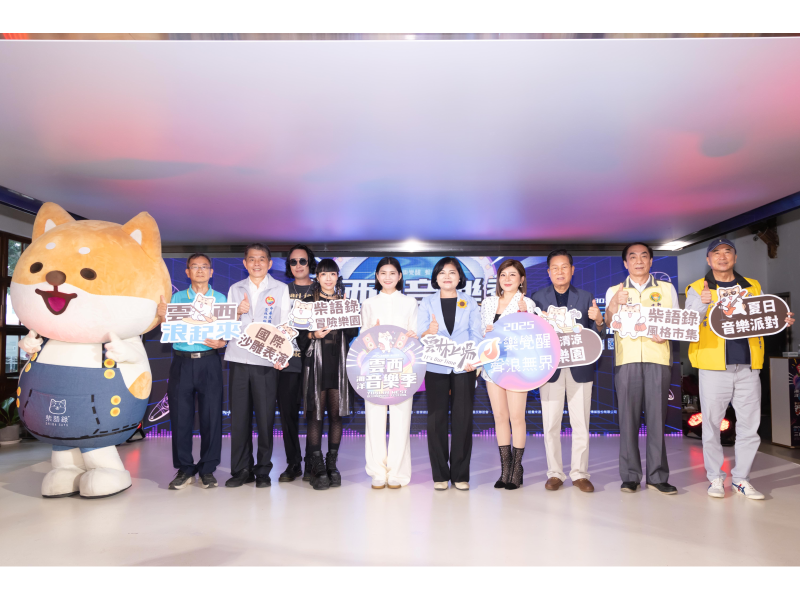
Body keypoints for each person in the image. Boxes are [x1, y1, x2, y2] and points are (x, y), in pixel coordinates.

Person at [685, 238, 794, 500]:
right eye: (716, 253)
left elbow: (762, 317)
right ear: (708, 260)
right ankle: (715, 478)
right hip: (713, 366)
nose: (722, 257)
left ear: (735, 257)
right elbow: (688, 322)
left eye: (728, 252)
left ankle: (741, 479)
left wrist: (781, 320)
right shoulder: (697, 287)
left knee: (749, 426)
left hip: (748, 367)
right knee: (711, 425)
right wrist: (702, 303)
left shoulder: (751, 286)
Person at [604, 243, 679, 495]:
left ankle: (657, 476)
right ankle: (630, 476)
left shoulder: (666, 289)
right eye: (633, 257)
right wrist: (614, 303)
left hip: (658, 358)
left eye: (644, 256)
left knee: (657, 420)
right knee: (628, 420)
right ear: (625, 263)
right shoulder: (615, 290)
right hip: (627, 360)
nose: (638, 261)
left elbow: (677, 322)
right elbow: (608, 322)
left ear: (651, 261)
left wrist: (666, 332)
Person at [531, 250, 604, 493]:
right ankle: (554, 473)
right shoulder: (538, 298)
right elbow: (532, 332)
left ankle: (580, 474)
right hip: (550, 369)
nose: (560, 271)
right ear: (548, 272)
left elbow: (596, 334)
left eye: (564, 267)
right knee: (550, 424)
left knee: (581, 423)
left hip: (579, 368)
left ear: (572, 270)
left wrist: (599, 320)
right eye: (555, 267)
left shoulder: (585, 297)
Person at [156, 254, 227, 490]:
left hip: (209, 361)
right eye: (195, 267)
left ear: (211, 272)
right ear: (187, 272)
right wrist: (163, 315)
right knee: (180, 417)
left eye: (204, 267)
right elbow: (168, 329)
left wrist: (222, 342)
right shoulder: (177, 298)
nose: (200, 270)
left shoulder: (220, 298)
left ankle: (207, 469)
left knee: (211, 417)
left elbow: (225, 332)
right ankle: (185, 468)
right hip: (182, 362)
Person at [223, 244, 290, 488]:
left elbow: (285, 324)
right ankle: (242, 469)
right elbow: (226, 323)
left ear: (269, 263)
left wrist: (281, 354)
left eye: (262, 259)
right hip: (239, 358)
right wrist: (235, 312)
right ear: (245, 263)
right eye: (252, 259)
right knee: (239, 419)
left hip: (266, 360)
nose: (257, 263)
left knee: (265, 418)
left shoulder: (280, 288)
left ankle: (263, 470)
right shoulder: (235, 288)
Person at [417, 257, 482, 491]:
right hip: (436, 365)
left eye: (452, 272)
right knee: (437, 419)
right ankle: (440, 475)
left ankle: (460, 475)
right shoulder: (427, 302)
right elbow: (419, 333)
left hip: (464, 365)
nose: (447, 276)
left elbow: (476, 333)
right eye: (442, 272)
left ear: (459, 277)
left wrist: (472, 358)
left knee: (463, 418)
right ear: (436, 277)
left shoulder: (470, 302)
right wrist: (429, 331)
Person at [297, 259, 359, 491]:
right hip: (316, 364)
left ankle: (332, 465)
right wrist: (313, 335)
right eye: (324, 274)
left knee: (336, 415)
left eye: (332, 274)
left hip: (339, 364)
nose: (328, 278)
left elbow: (352, 331)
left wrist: (346, 309)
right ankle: (317, 466)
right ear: (317, 277)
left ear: (337, 277)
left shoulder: (345, 301)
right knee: (315, 416)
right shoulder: (307, 303)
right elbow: (298, 336)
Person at [360, 257, 419, 489]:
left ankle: (398, 473)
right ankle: (377, 471)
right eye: (383, 273)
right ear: (376, 276)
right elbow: (362, 339)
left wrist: (413, 336)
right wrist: (371, 333)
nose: (387, 277)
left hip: (402, 368)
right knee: (373, 418)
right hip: (374, 368)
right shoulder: (369, 303)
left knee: (401, 419)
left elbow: (415, 334)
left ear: (400, 276)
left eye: (392, 273)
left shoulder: (410, 302)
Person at [480, 259, 536, 490]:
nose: (507, 279)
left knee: (516, 417)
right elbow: (482, 334)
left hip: (517, 366)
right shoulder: (488, 302)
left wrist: (526, 315)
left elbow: (533, 335)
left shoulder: (527, 303)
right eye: (503, 274)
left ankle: (516, 469)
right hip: (493, 366)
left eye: (513, 275)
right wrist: (487, 332)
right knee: (500, 417)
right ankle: (505, 470)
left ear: (521, 279)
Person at [277, 244, 317, 483]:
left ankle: (313, 462)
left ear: (310, 263)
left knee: (313, 415)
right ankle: (293, 463)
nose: (298, 265)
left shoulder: (322, 288)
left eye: (303, 261)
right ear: (288, 266)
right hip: (287, 362)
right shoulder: (281, 291)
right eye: (293, 262)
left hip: (315, 362)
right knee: (288, 415)